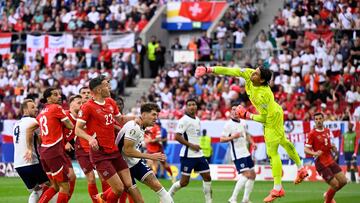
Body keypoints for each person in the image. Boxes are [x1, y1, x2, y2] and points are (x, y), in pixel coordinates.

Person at [195, 66, 308, 202]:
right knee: (283, 141)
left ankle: (278, 188)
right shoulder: (250, 74)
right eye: (255, 70)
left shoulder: (265, 95)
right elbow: (231, 71)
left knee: (272, 153)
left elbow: (265, 118)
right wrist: (209, 69)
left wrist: (248, 115)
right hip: (274, 112)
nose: (252, 73)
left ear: (261, 80)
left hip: (272, 117)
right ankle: (301, 169)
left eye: (256, 73)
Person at [75, 75, 142, 203]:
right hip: (100, 154)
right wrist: (90, 138)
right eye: (106, 85)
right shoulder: (88, 106)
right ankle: (103, 198)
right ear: (99, 90)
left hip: (114, 151)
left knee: (128, 184)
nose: (109, 87)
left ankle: (102, 197)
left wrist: (136, 118)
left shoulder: (111, 102)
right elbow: (77, 129)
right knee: (118, 188)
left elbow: (120, 119)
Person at [116, 102, 173, 203]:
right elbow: (127, 150)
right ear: (144, 115)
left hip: (135, 163)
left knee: (160, 188)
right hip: (123, 167)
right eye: (153, 114)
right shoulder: (134, 127)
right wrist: (151, 156)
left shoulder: (141, 127)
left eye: (157, 115)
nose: (156, 118)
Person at [25, 88, 74, 203]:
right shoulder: (56, 108)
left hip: (44, 153)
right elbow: (70, 125)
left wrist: (29, 148)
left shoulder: (42, 112)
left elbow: (29, 129)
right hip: (54, 152)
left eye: (59, 94)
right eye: (55, 95)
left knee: (55, 186)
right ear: (48, 98)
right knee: (65, 187)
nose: (59, 96)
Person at [168, 99, 213, 203]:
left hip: (199, 155)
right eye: (189, 105)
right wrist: (191, 145)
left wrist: (197, 146)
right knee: (184, 182)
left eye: (194, 104)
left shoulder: (197, 119)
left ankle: (209, 201)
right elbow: (177, 136)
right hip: (188, 155)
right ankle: (168, 196)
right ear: (186, 107)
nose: (192, 106)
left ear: (196, 107)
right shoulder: (183, 120)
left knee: (207, 177)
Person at [75, 86, 110, 202]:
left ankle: (105, 200)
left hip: (97, 148)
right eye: (83, 93)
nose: (85, 94)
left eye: (87, 92)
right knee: (90, 179)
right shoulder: (75, 110)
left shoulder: (96, 108)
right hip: (82, 149)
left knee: (104, 178)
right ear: (80, 96)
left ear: (92, 94)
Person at [305, 112, 347, 203]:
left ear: (323, 119)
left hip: (330, 160)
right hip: (321, 163)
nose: (318, 121)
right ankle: (328, 200)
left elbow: (327, 145)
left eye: (320, 119)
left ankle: (327, 194)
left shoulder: (327, 131)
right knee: (335, 185)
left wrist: (332, 148)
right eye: (316, 119)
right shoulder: (312, 134)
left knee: (343, 181)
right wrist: (314, 152)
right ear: (314, 121)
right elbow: (306, 149)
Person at [13, 99, 49, 203]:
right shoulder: (33, 121)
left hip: (19, 165)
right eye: (32, 107)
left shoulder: (16, 124)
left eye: (36, 107)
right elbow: (39, 138)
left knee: (36, 190)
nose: (36, 109)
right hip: (32, 162)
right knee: (53, 186)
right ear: (25, 110)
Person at [220, 105, 256, 203]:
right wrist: (232, 137)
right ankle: (233, 198)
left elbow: (247, 134)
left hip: (246, 152)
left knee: (252, 175)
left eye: (237, 109)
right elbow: (222, 139)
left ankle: (245, 199)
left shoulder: (244, 122)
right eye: (233, 109)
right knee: (246, 174)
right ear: (231, 111)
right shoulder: (228, 125)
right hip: (237, 153)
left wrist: (252, 142)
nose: (235, 111)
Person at [62, 95, 83, 200]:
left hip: (64, 153)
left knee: (72, 177)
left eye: (82, 103)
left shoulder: (80, 119)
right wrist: (64, 142)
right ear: (71, 104)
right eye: (79, 102)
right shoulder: (64, 115)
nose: (81, 105)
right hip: (55, 149)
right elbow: (53, 132)